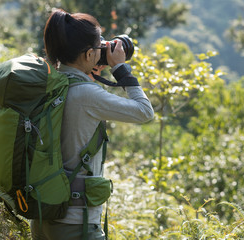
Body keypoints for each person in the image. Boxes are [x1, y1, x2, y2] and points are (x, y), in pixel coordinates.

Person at [30, 9, 154, 240]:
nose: (103, 50)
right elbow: (145, 112)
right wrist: (119, 68)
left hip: (43, 216)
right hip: (75, 223)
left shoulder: (49, 82)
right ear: (88, 54)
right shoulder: (87, 95)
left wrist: (91, 71)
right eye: (99, 47)